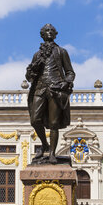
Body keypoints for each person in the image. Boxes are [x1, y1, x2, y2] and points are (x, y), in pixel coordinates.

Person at [25, 24, 75, 164]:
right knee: (34, 120)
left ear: (55, 34)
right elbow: (29, 78)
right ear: (42, 34)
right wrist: (31, 70)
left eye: (52, 31)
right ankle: (44, 144)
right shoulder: (37, 55)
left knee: (53, 123)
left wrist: (66, 82)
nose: (49, 32)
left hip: (55, 89)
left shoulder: (61, 52)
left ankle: (52, 153)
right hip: (39, 89)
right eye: (46, 31)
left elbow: (70, 72)